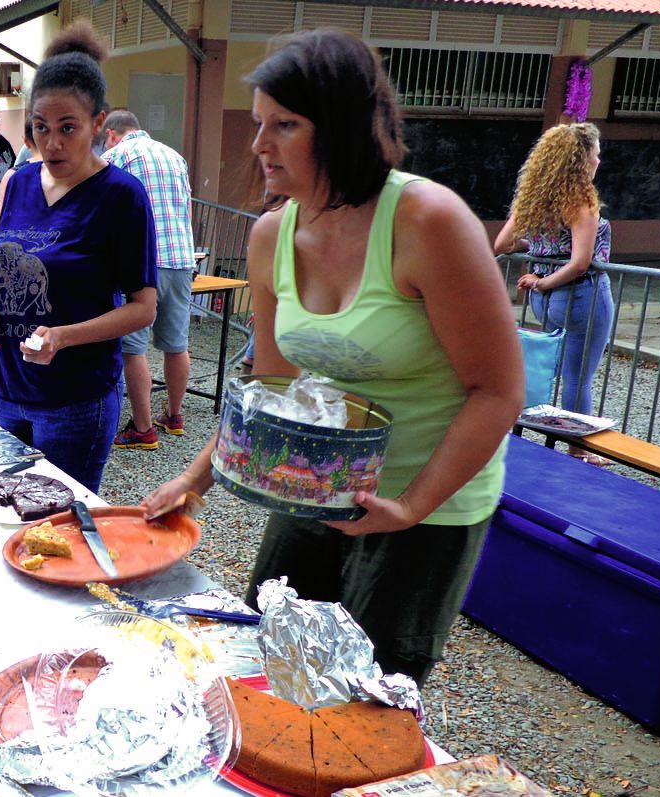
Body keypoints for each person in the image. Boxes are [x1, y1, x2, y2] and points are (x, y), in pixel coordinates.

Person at [142, 29, 524, 686]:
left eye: (283, 124)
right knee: (272, 650)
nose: (259, 144)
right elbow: (269, 383)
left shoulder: (427, 220)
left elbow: (498, 390)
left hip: (426, 497)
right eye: (260, 123)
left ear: (344, 126)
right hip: (315, 479)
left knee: (369, 690)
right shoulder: (271, 234)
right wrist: (193, 479)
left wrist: (407, 505)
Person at [0, 22, 158, 494]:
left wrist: (63, 337)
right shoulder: (20, 183)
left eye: (68, 128)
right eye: (40, 128)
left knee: (60, 529)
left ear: (98, 123)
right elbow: (9, 264)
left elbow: (143, 307)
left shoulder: (121, 196)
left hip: (75, 398)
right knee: (9, 520)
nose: (52, 143)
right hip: (11, 389)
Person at [495, 122, 615, 465]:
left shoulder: (535, 197)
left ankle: (533, 433)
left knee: (552, 367)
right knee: (579, 378)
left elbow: (503, 243)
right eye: (596, 154)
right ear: (581, 161)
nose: (598, 161)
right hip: (581, 295)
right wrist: (545, 281)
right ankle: (578, 449)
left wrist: (538, 261)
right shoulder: (582, 202)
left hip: (545, 300)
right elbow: (580, 262)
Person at [101, 109, 197, 450]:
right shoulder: (176, 157)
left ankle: (142, 428)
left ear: (111, 133)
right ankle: (173, 416)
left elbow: (105, 210)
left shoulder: (115, 156)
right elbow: (185, 208)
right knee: (176, 344)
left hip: (144, 264)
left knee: (133, 347)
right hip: (182, 258)